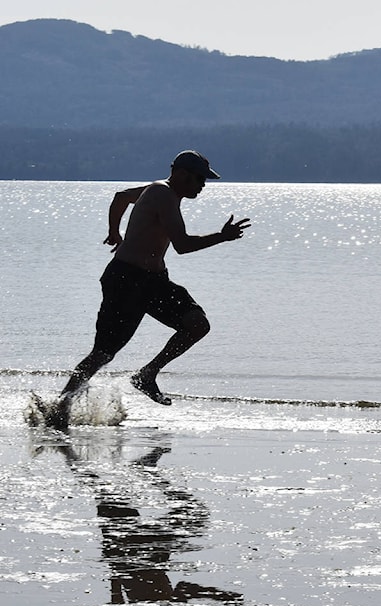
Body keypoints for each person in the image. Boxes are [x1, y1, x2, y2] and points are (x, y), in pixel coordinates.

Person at [50, 150, 250, 426]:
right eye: (199, 179)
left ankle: (147, 374)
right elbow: (182, 245)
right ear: (181, 174)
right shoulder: (162, 194)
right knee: (104, 353)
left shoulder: (158, 190)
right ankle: (60, 407)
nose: (203, 185)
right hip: (126, 281)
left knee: (197, 324)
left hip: (155, 282)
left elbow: (121, 198)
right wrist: (222, 237)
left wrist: (114, 231)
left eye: (205, 180)